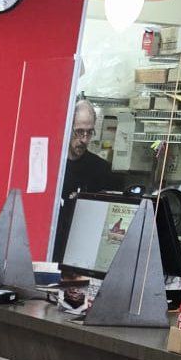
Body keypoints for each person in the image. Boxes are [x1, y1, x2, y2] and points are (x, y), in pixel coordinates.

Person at [54, 98, 133, 262]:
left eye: (89, 132)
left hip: (83, 256)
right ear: (67, 127)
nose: (84, 139)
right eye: (79, 132)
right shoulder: (51, 165)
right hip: (51, 253)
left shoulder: (102, 171)